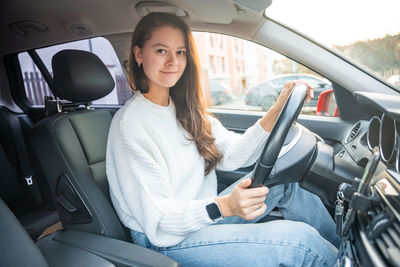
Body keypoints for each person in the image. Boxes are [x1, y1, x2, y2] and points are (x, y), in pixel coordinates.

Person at [106, 12, 340, 266]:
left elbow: (235, 154)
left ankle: (344, 253)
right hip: (162, 240)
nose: (173, 61)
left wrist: (277, 110)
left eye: (181, 52)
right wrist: (225, 206)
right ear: (139, 55)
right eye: (161, 50)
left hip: (199, 219)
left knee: (287, 181)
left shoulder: (184, 109)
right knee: (299, 243)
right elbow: (160, 219)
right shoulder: (130, 123)